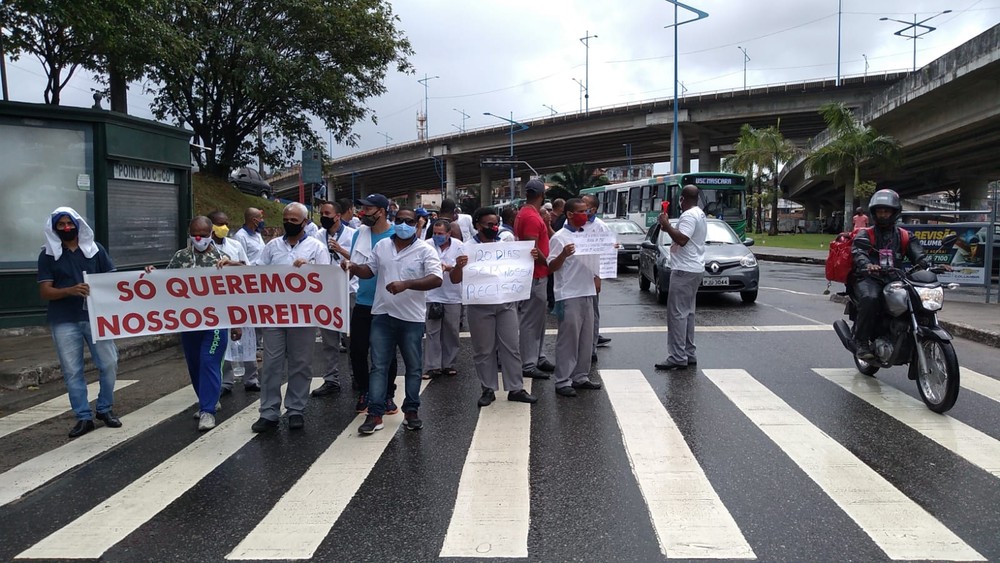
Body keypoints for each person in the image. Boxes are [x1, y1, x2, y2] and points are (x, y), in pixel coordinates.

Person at [344, 208, 443, 434]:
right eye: (399, 220)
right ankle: (375, 414)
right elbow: (369, 271)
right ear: (393, 221)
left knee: (413, 367)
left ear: (417, 224)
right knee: (379, 366)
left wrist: (407, 284)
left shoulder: (425, 250)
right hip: (382, 314)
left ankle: (411, 411)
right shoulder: (382, 246)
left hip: (411, 318)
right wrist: (352, 266)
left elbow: (437, 279)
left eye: (409, 221)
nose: (403, 225)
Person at [151, 216, 241, 431]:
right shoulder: (180, 257)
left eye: (204, 234)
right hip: (189, 322)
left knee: (208, 360)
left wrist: (237, 323)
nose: (199, 238)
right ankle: (207, 399)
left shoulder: (223, 258)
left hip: (216, 322)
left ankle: (207, 411)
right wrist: (150, 275)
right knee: (195, 364)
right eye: (195, 234)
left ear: (212, 234)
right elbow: (164, 283)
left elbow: (239, 288)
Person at [38, 207, 121, 438]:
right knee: (72, 371)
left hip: (96, 317)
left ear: (78, 224)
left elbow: (112, 279)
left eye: (69, 223)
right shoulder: (48, 255)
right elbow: (45, 291)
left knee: (109, 363)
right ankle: (83, 417)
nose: (66, 228)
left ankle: (105, 408)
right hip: (64, 319)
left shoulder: (95, 250)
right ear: (54, 228)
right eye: (61, 225)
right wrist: (70, 291)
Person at [251, 203, 331, 432]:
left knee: (301, 364)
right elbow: (255, 271)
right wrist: (233, 266)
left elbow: (326, 277)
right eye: (286, 219)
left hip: (303, 316)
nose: (289, 223)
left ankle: (296, 409)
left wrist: (310, 268)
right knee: (272, 365)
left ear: (305, 223)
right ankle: (269, 412)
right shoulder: (272, 246)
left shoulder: (316, 248)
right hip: (275, 316)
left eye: (294, 220)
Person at [451, 208, 538, 406]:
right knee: (484, 349)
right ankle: (488, 388)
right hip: (479, 306)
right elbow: (455, 279)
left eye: (496, 223)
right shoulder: (467, 247)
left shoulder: (505, 245)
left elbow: (520, 268)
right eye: (489, 224)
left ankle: (515, 388)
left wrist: (529, 256)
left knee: (511, 347)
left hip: (505, 304)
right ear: (477, 225)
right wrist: (459, 266)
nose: (494, 227)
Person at [851, 189, 928, 361]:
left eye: (886, 211)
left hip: (895, 278)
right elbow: (858, 252)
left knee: (916, 299)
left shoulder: (905, 236)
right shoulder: (866, 234)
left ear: (894, 212)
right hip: (870, 278)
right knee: (871, 298)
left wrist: (929, 265)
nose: (883, 215)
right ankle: (861, 342)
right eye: (880, 211)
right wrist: (867, 264)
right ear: (874, 213)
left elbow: (919, 255)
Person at [347, 193, 398, 414]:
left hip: (388, 302)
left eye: (368, 209)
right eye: (363, 209)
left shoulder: (397, 234)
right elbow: (353, 266)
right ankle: (366, 390)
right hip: (364, 301)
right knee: (357, 350)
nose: (364, 213)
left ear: (382, 211)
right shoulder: (359, 235)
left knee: (386, 352)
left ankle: (387, 394)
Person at [548, 199, 603, 397]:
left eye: (586, 211)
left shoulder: (589, 234)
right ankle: (563, 380)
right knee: (568, 339)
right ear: (570, 214)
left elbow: (596, 258)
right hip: (569, 293)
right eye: (580, 211)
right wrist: (563, 254)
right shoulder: (560, 237)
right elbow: (551, 267)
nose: (585, 215)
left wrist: (597, 277)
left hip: (587, 291)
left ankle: (581, 376)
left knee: (586, 338)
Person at [207, 210, 260, 395]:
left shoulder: (235, 245)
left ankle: (251, 378)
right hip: (218, 300)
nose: (224, 228)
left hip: (239, 297)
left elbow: (246, 267)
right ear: (211, 226)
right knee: (224, 343)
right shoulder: (205, 247)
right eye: (220, 224)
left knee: (247, 338)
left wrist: (231, 264)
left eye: (226, 223)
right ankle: (226, 382)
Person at [654, 185, 707, 370]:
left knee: (677, 314)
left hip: (684, 269)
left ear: (683, 199)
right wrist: (667, 226)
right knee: (688, 313)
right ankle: (688, 352)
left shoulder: (688, 216)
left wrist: (667, 225)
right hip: (694, 268)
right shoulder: (699, 213)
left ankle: (677, 356)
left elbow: (682, 239)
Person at [311, 201, 356, 397]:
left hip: (349, 291)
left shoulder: (353, 235)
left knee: (352, 339)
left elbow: (363, 260)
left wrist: (341, 250)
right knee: (329, 341)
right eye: (322, 213)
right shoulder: (317, 236)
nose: (324, 216)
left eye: (327, 213)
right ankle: (331, 379)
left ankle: (357, 376)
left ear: (338, 216)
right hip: (326, 293)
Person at [514, 179, 555, 380]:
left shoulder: (527, 213)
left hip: (538, 274)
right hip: (535, 274)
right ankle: (528, 363)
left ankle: (538, 356)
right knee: (530, 321)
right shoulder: (530, 216)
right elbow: (532, 249)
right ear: (541, 196)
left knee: (538, 319)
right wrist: (549, 263)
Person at [423, 219, 463, 379]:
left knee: (451, 331)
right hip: (432, 294)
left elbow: (464, 267)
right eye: (435, 233)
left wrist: (449, 267)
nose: (437, 236)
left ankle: (449, 364)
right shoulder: (426, 245)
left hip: (452, 295)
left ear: (449, 234)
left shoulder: (459, 246)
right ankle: (432, 366)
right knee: (432, 331)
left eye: (441, 234)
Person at [582, 194, 614, 357]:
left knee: (592, 313)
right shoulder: (573, 223)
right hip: (575, 277)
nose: (581, 206)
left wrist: (598, 277)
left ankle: (591, 348)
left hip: (592, 275)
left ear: (593, 209)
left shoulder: (601, 227)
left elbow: (606, 254)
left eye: (585, 204)